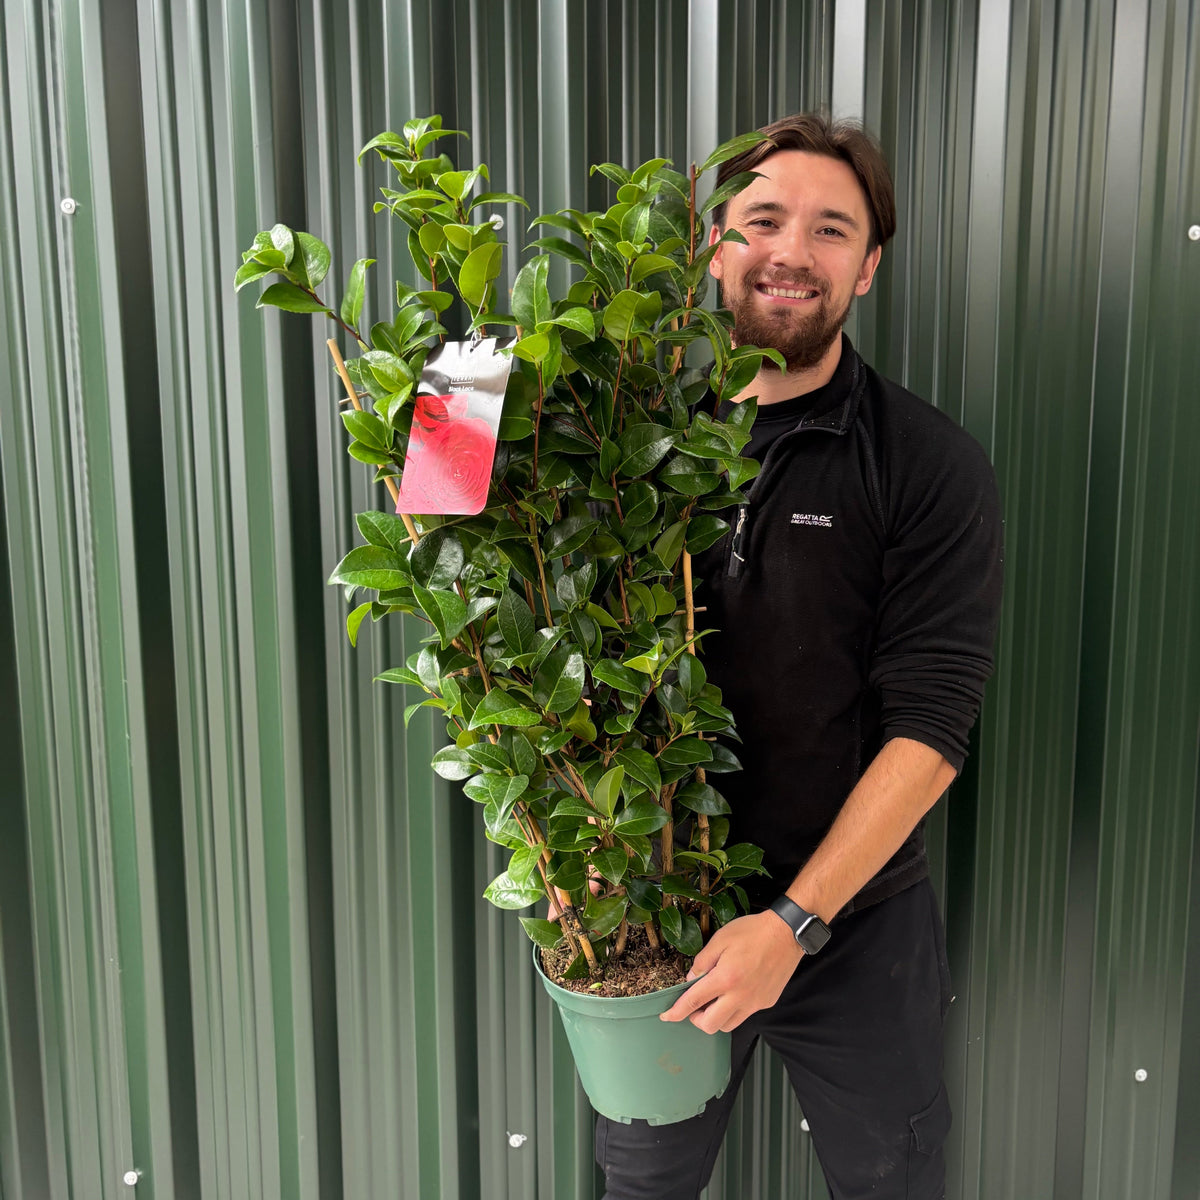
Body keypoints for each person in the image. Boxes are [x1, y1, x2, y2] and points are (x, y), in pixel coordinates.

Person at [594, 114, 1004, 1200]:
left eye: (832, 230)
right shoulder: (626, 456)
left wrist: (794, 922)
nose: (792, 252)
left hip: (855, 921)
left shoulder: (926, 464)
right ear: (714, 246)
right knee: (643, 1185)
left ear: (867, 267)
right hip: (662, 914)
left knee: (894, 1179)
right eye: (764, 219)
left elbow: (932, 727)